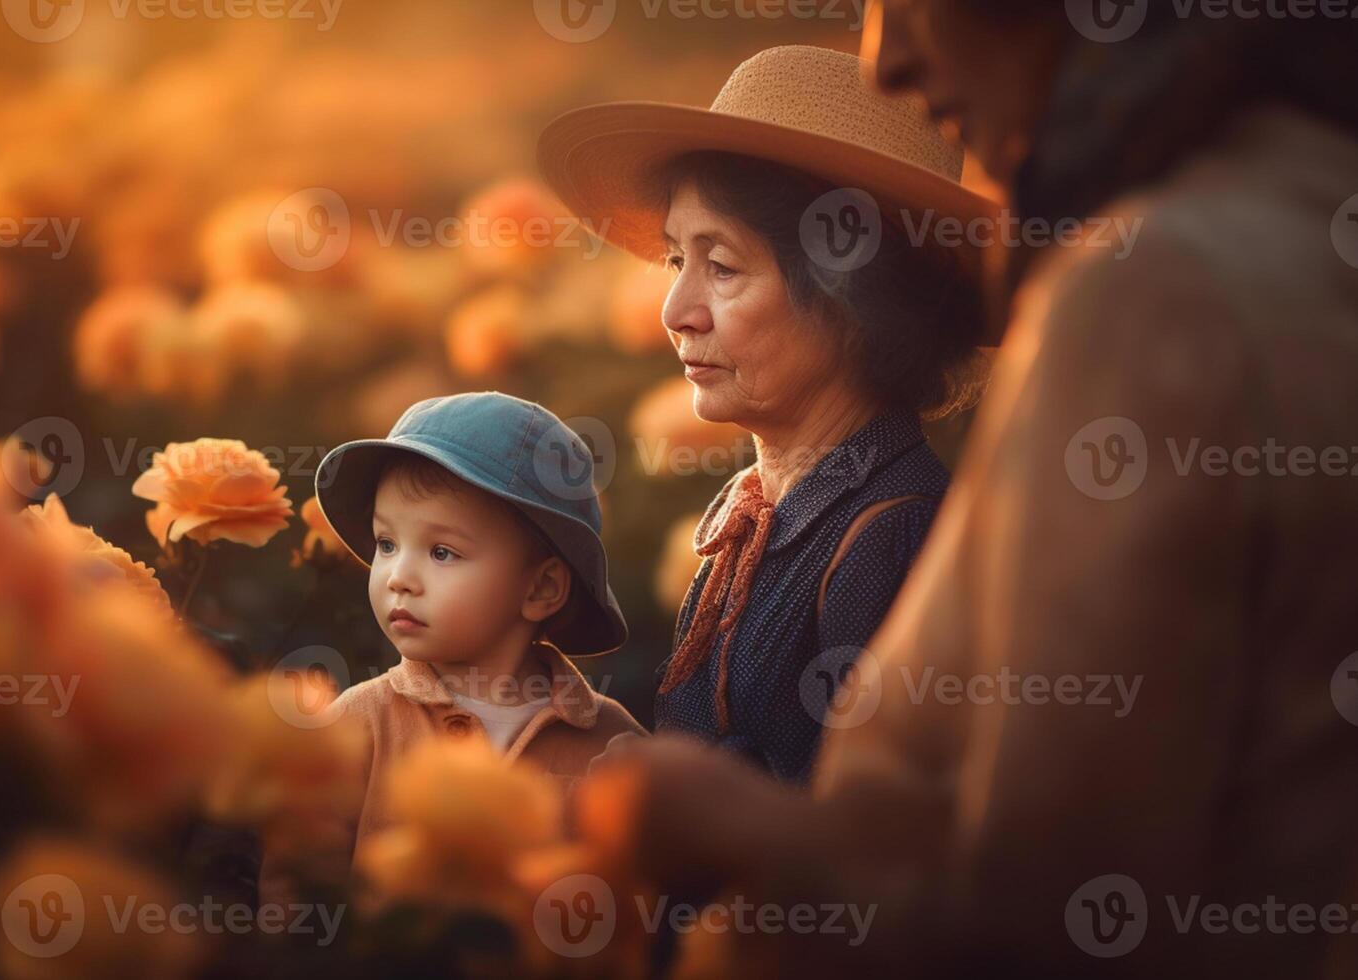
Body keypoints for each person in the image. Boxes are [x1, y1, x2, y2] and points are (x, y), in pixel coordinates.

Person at [580, 8, 1358, 978]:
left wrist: (714, 819)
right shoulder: (1302, 219)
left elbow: (1044, 906)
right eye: (672, 256)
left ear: (854, 299)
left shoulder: (1151, 291)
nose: (885, 56)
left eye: (909, 3)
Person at [538, 45, 993, 781]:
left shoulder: (890, 537)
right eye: (672, 261)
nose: (676, 311)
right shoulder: (756, 514)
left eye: (720, 266)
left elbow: (847, 849)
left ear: (855, 302)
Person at [301, 392, 645, 867]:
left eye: (442, 552)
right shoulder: (358, 724)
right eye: (386, 543)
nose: (398, 576)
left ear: (542, 588)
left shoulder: (611, 742)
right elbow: (296, 892)